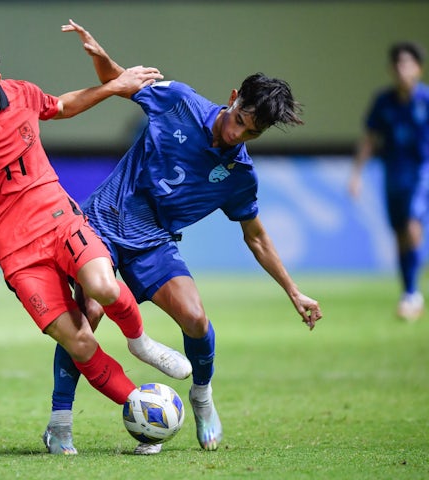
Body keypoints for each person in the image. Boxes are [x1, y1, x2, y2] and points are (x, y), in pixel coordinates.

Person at [0, 30, 193, 455]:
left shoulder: (22, 94)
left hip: (61, 220)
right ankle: (140, 409)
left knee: (102, 286)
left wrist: (115, 86)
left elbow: (62, 105)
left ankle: (141, 342)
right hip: (18, 255)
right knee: (79, 341)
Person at [43, 20, 323, 456]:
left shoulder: (240, 175)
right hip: (103, 221)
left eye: (251, 133)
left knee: (195, 319)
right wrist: (100, 55)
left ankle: (202, 398)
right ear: (233, 98)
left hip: (153, 241)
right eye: (240, 120)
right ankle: (60, 422)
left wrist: (293, 291)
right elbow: (119, 81)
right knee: (89, 315)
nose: (237, 135)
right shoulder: (179, 101)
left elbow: (257, 238)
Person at [349, 41, 429, 322]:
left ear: (418, 68)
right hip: (393, 174)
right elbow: (370, 139)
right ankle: (409, 291)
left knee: (411, 224)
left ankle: (412, 293)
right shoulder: (384, 102)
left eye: (407, 63)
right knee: (399, 233)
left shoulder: (426, 101)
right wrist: (356, 174)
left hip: (423, 172)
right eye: (397, 64)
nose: (401, 69)